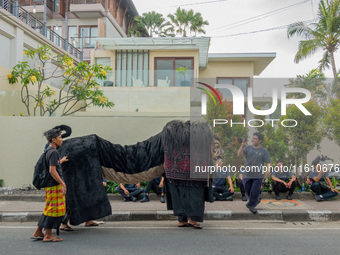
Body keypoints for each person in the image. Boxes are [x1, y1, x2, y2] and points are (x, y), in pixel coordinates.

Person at [163, 120, 214, 229]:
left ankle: (182, 220)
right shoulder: (203, 136)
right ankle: (193, 220)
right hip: (197, 172)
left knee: (179, 196)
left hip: (175, 171)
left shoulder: (172, 136)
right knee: (196, 197)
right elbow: (210, 152)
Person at [32, 128, 68, 242]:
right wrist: (63, 183)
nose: (61, 140)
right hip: (54, 185)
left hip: (49, 185)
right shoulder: (53, 152)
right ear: (53, 139)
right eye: (60, 138)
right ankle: (47, 235)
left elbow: (53, 165)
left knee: (49, 208)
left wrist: (60, 161)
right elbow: (52, 170)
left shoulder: (48, 150)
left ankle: (38, 231)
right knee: (54, 210)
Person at [237, 133, 271, 214]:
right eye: (253, 138)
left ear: (260, 141)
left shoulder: (264, 151)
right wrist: (242, 146)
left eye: (255, 139)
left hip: (258, 175)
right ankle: (255, 200)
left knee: (254, 190)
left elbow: (268, 162)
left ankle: (251, 205)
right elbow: (239, 155)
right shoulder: (248, 148)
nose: (253, 140)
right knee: (247, 188)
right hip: (247, 173)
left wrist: (268, 170)